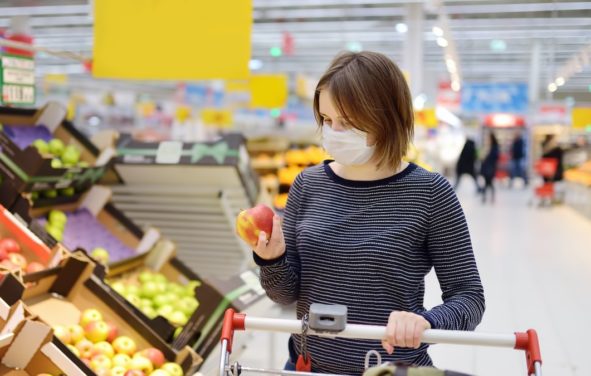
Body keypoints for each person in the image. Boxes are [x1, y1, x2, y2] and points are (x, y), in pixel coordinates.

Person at [249, 51, 485, 374]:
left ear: (386, 117)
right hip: (306, 367)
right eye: (327, 120)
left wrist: (424, 323)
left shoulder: (430, 193)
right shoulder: (307, 185)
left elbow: (470, 298)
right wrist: (272, 259)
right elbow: (286, 294)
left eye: (346, 122)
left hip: (389, 368)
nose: (333, 132)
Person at [480, 132, 500, 204]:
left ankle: (487, 197)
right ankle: (486, 197)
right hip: (488, 167)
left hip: (490, 167)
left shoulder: (494, 148)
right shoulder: (491, 147)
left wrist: (486, 158)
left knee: (489, 182)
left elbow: (494, 157)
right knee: (487, 183)